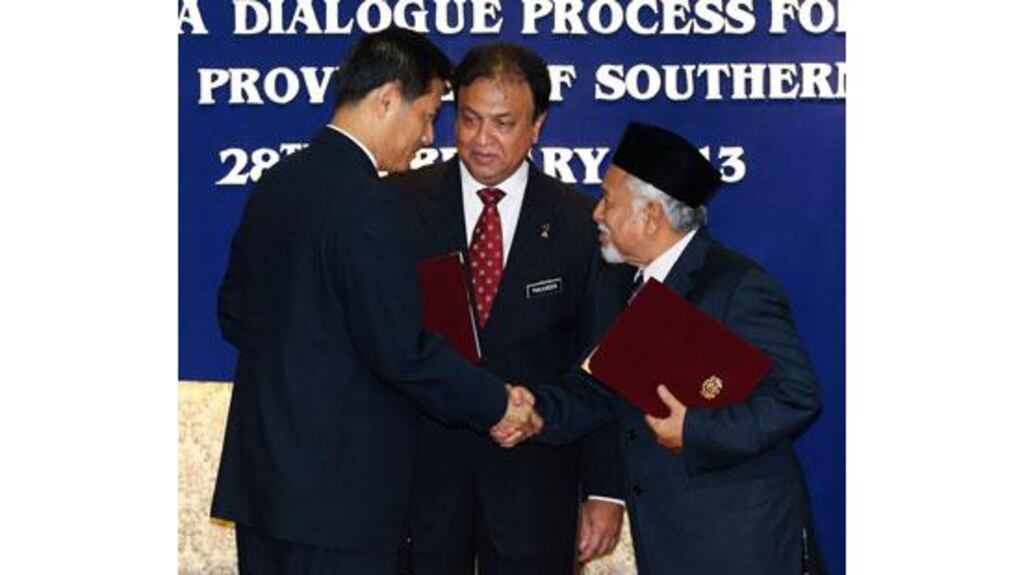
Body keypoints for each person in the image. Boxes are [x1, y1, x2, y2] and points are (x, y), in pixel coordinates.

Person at [211, 28, 542, 575]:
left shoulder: (278, 182)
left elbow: (235, 314)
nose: (429, 137)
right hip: (340, 500)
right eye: (428, 113)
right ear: (388, 99)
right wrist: (497, 403)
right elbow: (400, 350)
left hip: (265, 488)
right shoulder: (369, 203)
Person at [498, 122, 825, 574]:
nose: (596, 214)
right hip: (669, 541)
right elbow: (599, 389)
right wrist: (529, 409)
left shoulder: (735, 286)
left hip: (740, 543)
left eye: (608, 200)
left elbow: (797, 396)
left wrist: (694, 431)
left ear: (650, 215)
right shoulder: (623, 286)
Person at [387, 43, 625, 574]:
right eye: (468, 119)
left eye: (502, 123)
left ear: (537, 125)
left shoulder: (580, 222)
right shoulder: (399, 205)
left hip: (535, 483)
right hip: (420, 481)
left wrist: (607, 490)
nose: (481, 140)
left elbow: (602, 364)